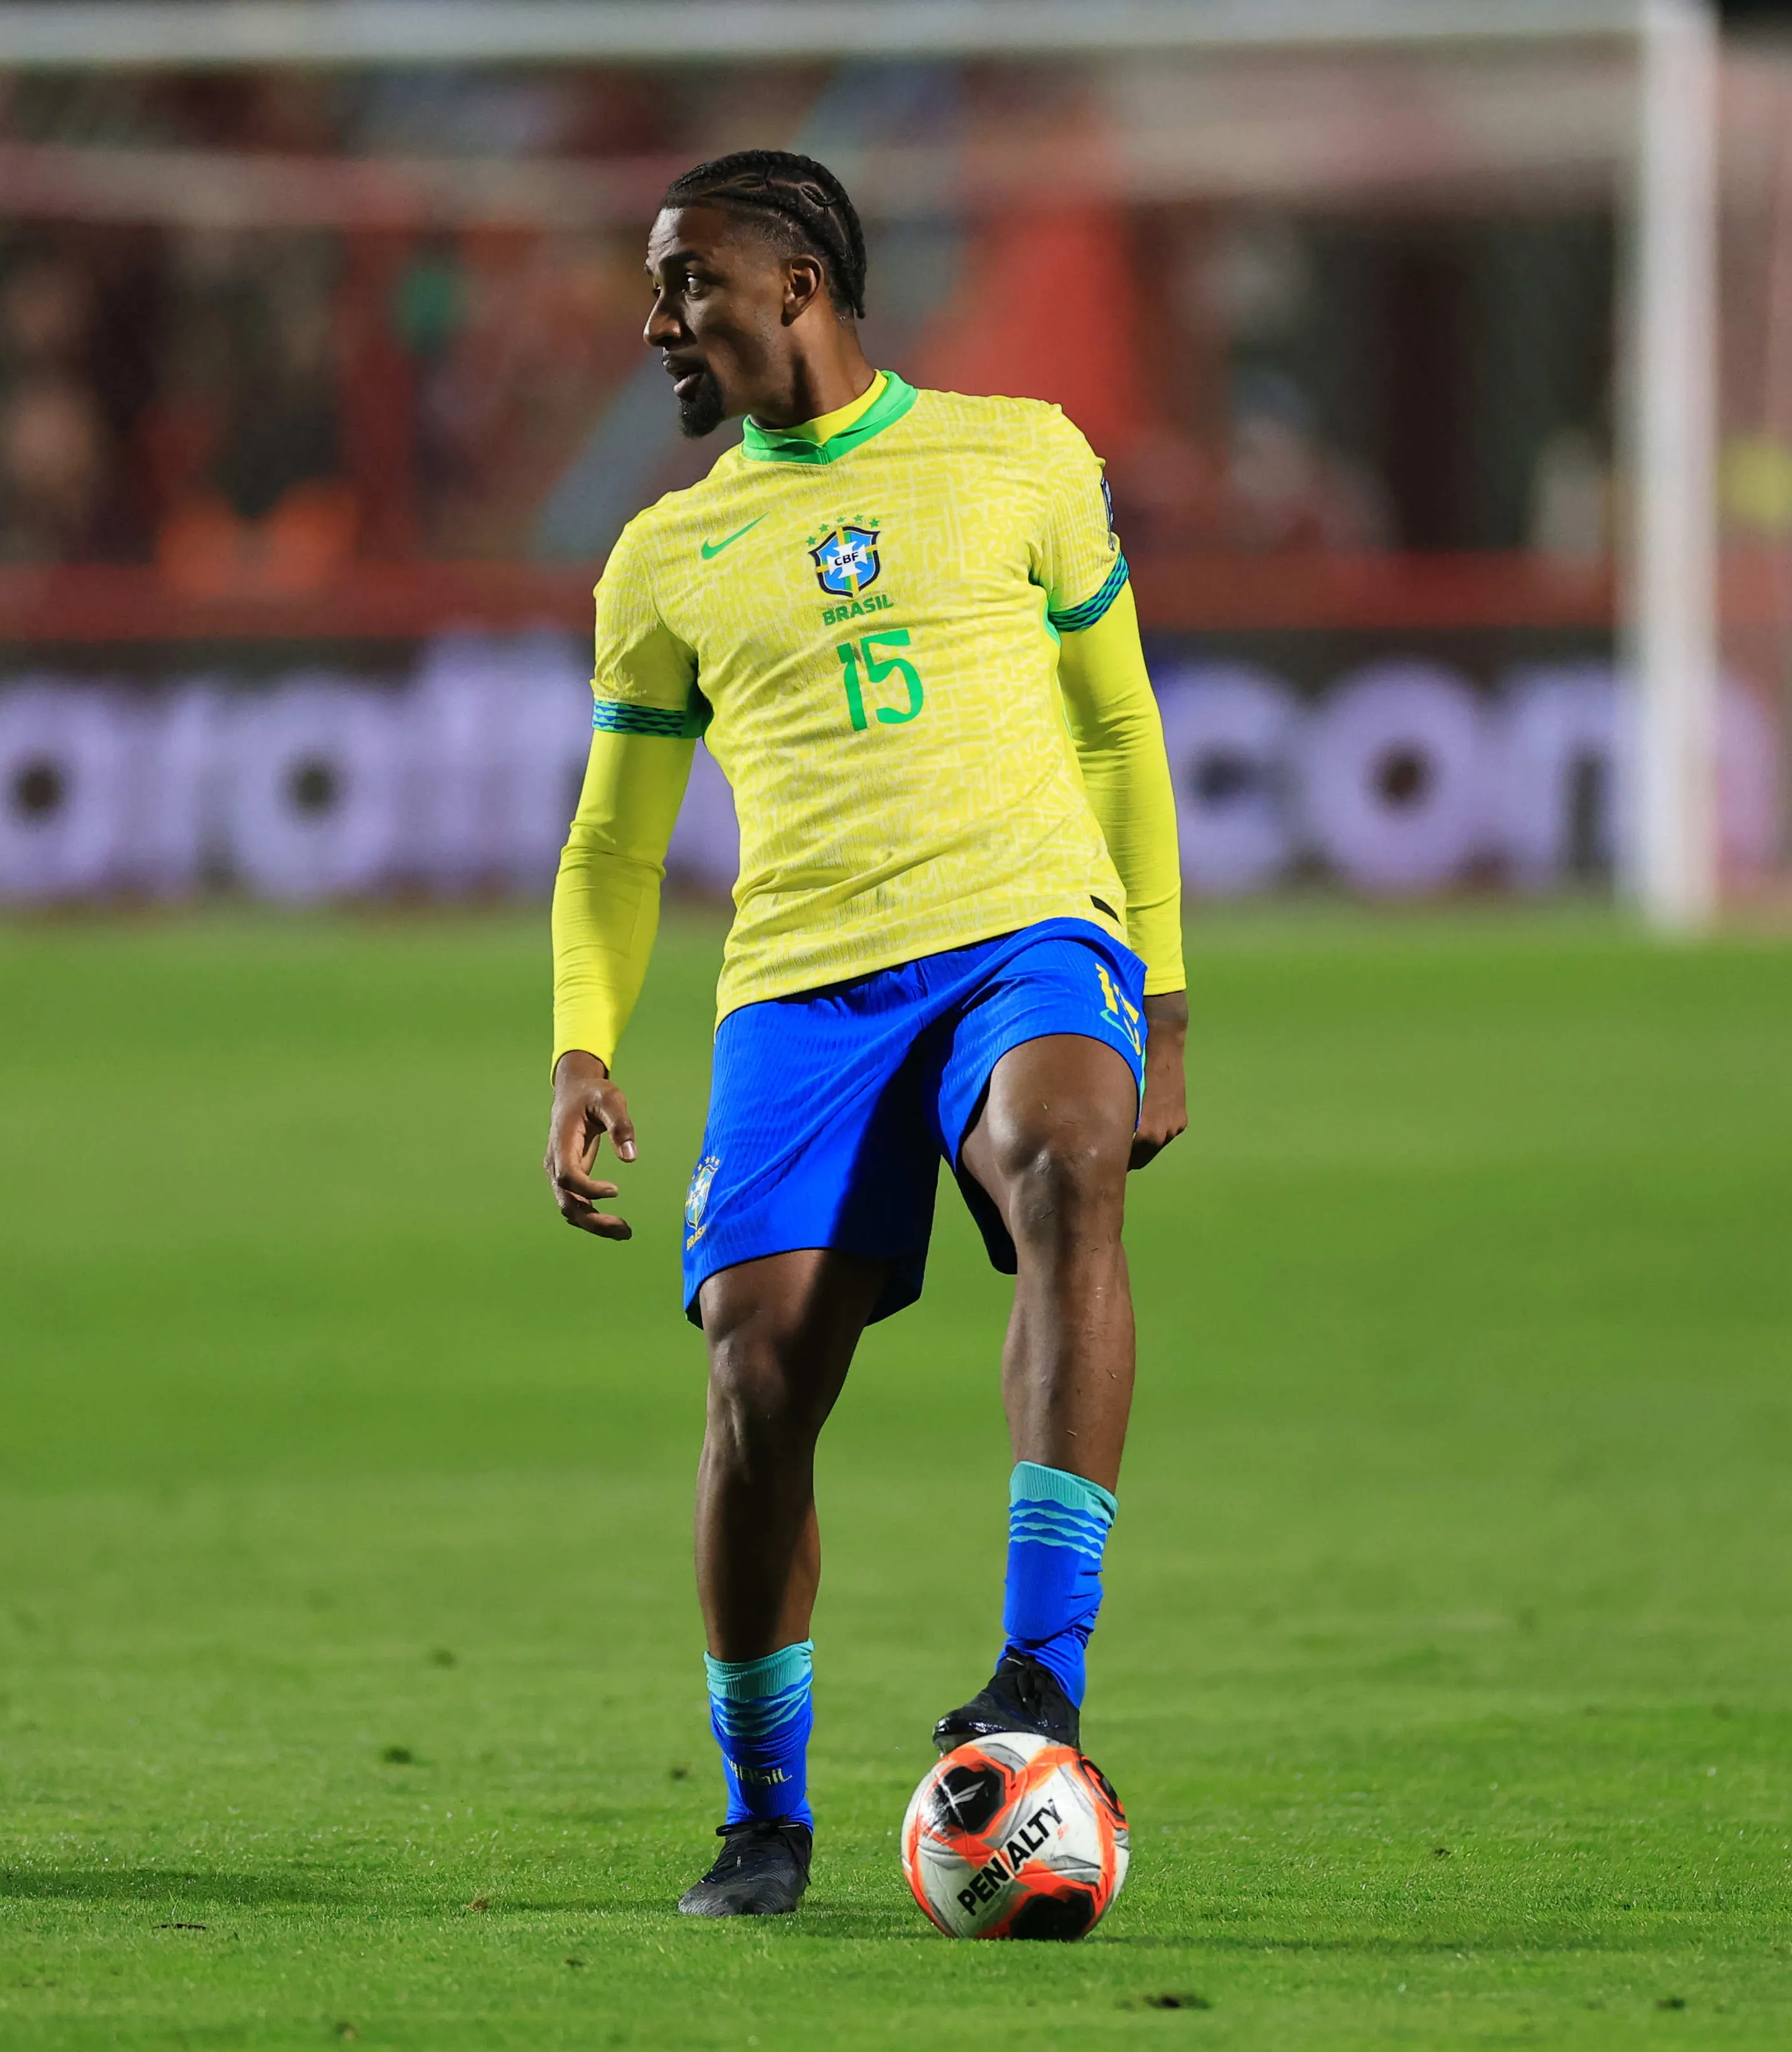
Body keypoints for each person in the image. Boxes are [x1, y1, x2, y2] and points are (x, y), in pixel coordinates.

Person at [537, 151, 1191, 1919]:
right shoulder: (664, 556)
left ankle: (1038, 1672)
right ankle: (765, 1818)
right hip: (804, 986)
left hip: (1022, 930)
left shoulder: (1021, 454)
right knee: (756, 1381)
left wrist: (1168, 991)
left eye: (688, 282)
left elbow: (1119, 734)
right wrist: (582, 1044)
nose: (659, 320)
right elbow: (611, 842)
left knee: (1064, 1157)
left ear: (797, 287)